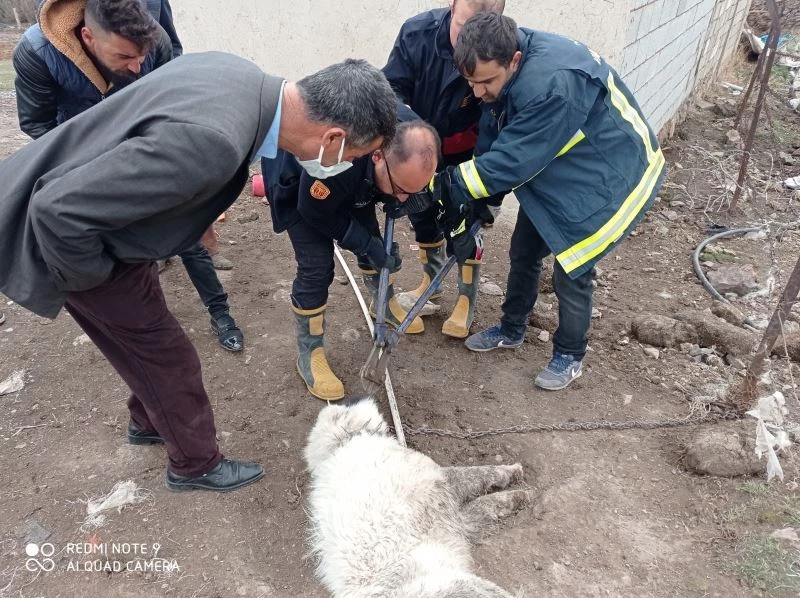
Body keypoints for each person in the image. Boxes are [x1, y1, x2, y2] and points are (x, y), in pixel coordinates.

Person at [0, 53, 397, 490]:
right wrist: (100, 282)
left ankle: (149, 422)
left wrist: (194, 213)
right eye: (355, 155)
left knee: (147, 347)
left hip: (97, 223)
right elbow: (57, 212)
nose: (349, 165)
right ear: (333, 138)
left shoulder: (242, 76)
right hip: (65, 239)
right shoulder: (216, 141)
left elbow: (161, 147)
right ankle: (194, 465)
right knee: (171, 359)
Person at [433, 13, 666, 390]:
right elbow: (497, 130)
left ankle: (570, 355)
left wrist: (451, 184)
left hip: (606, 171)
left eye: (486, 82)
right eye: (471, 82)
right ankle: (511, 329)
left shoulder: (551, 85)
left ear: (515, 60)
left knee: (572, 268)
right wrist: (484, 201)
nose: (477, 92)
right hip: (560, 166)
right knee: (524, 251)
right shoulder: (505, 65)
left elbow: (514, 159)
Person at [12, 0, 243, 351]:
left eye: (142, 56)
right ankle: (144, 325)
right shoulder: (37, 53)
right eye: (124, 57)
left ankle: (220, 311)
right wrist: (88, 170)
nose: (137, 68)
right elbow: (38, 125)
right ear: (88, 37)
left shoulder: (154, 37)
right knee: (122, 249)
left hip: (145, 150)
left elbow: (173, 96)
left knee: (185, 233)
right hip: (88, 162)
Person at [262, 121, 439, 400]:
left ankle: (383, 304)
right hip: (300, 186)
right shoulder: (338, 154)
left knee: (372, 238)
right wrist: (366, 243)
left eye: (410, 190)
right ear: (378, 156)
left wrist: (402, 201)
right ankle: (310, 351)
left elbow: (400, 189)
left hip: (355, 175)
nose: (403, 197)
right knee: (317, 265)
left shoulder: (411, 136)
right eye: (400, 188)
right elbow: (315, 211)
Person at [382, 0, 505, 340]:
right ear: (451, 6)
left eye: (478, 29)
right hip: (419, 148)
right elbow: (390, 89)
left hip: (465, 152)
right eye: (462, 26)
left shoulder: (500, 50)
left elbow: (497, 119)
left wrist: (490, 192)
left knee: (464, 221)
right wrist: (415, 133)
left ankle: (466, 298)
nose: (467, 39)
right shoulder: (416, 33)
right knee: (420, 213)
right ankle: (431, 283)